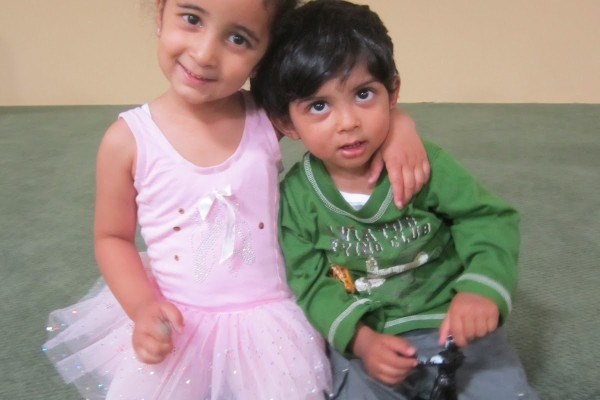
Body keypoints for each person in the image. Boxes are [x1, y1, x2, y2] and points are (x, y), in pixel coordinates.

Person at [41, 0, 430, 399]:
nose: (205, 54)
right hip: (178, 320)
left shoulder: (266, 117)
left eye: (238, 39)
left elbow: (341, 114)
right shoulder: (127, 140)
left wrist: (399, 124)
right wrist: (141, 307)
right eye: (191, 19)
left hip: (272, 321)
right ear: (160, 13)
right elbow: (112, 238)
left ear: (266, 51)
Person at [251, 1, 539, 399]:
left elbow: (488, 218)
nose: (348, 122)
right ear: (287, 122)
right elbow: (310, 282)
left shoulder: (421, 163)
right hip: (370, 341)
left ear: (393, 92)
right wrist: (361, 341)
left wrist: (481, 290)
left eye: (363, 94)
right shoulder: (297, 199)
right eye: (319, 106)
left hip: (451, 323)